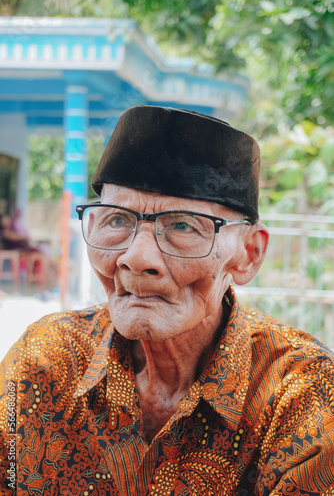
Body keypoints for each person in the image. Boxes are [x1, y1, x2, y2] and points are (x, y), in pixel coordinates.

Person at [0, 106, 334, 496]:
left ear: (248, 253)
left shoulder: (303, 392)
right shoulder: (46, 359)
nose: (136, 258)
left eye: (182, 226)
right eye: (116, 220)